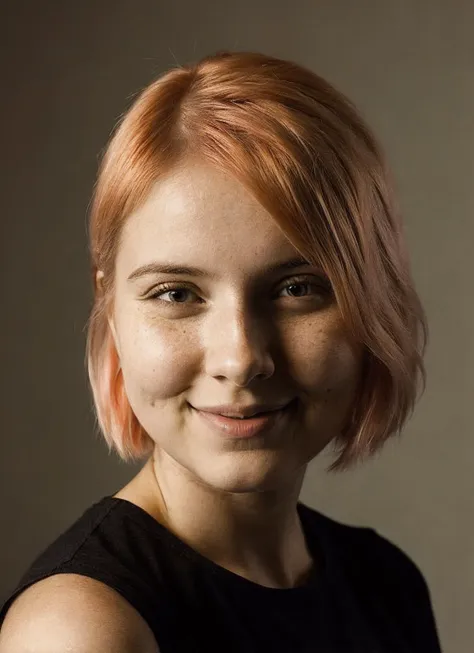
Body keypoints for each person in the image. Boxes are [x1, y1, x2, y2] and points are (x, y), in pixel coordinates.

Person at [0, 51, 442, 652]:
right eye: (176, 293)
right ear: (111, 307)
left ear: (371, 296)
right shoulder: (80, 630)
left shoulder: (386, 584)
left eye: (296, 288)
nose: (240, 357)